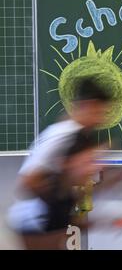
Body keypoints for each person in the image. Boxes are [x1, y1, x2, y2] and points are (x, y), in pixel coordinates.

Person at [7, 78, 112, 249]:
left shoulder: (81, 136)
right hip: (36, 222)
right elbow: (28, 181)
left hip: (49, 221)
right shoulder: (64, 134)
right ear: (89, 105)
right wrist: (59, 207)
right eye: (100, 112)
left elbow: (66, 185)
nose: (101, 119)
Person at [8, 131, 102, 249]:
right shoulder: (45, 199)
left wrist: (107, 223)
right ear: (67, 163)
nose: (95, 168)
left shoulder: (67, 193)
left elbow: (67, 224)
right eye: (87, 162)